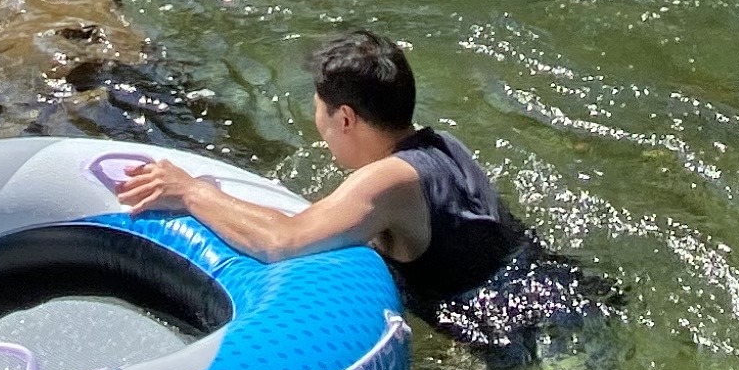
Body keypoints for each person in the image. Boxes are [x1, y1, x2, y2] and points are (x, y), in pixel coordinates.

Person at [112, 28, 531, 320]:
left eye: (317, 110)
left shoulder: (388, 180)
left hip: (515, 327)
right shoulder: (443, 144)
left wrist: (189, 192)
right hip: (543, 289)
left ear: (345, 118)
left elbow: (281, 242)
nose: (319, 127)